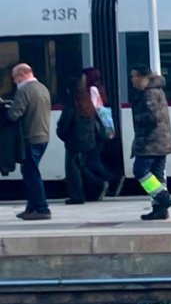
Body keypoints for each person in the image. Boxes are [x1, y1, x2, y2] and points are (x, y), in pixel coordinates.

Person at [129, 65, 171, 220]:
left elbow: (152, 116)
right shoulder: (157, 90)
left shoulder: (148, 93)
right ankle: (160, 210)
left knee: (140, 170)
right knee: (157, 175)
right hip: (161, 140)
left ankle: (163, 197)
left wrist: (137, 119)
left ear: (143, 77)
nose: (132, 80)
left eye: (134, 76)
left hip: (150, 141)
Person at [6, 64, 52, 220]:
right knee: (30, 172)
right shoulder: (42, 88)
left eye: (15, 77)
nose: (14, 81)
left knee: (32, 174)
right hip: (43, 136)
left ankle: (42, 208)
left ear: (22, 74)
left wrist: (7, 106)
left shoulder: (24, 90)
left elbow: (14, 115)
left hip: (31, 137)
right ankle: (31, 208)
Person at [56, 76, 110, 204]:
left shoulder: (72, 103)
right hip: (88, 141)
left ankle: (82, 193)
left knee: (73, 171)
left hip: (74, 141)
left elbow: (64, 124)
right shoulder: (86, 101)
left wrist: (62, 135)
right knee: (81, 167)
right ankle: (96, 186)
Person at [82, 67, 121, 196]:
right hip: (100, 129)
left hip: (95, 130)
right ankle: (109, 180)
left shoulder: (92, 90)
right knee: (93, 159)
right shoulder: (99, 89)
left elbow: (94, 108)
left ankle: (110, 179)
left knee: (92, 160)